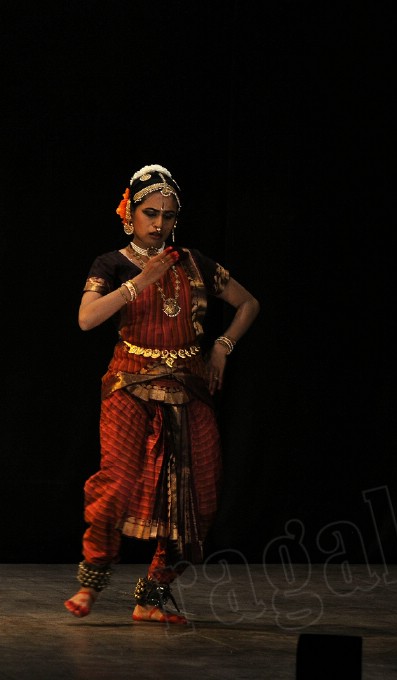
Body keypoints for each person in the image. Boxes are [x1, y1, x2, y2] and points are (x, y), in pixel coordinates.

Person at [64, 164, 260, 624]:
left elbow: (249, 303)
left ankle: (151, 597)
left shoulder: (195, 263)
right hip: (129, 383)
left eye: (168, 216)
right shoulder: (110, 264)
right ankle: (92, 579)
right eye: (150, 213)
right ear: (128, 214)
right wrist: (139, 283)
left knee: (198, 496)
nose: (159, 224)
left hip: (188, 385)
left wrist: (222, 346)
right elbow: (87, 319)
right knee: (117, 482)